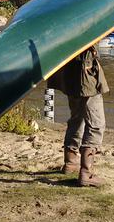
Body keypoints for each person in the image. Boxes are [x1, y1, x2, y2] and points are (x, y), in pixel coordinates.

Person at [47, 46, 109, 187]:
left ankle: (70, 162)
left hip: (71, 71)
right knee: (96, 124)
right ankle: (86, 173)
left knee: (77, 118)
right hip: (84, 72)